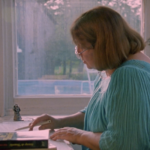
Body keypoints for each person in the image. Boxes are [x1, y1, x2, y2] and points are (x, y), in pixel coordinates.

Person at [29, 6, 150, 150]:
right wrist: (59, 122)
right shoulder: (108, 70)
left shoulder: (128, 76)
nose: (78, 53)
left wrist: (78, 136)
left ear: (103, 46)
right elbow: (96, 113)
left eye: (82, 47)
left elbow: (122, 143)